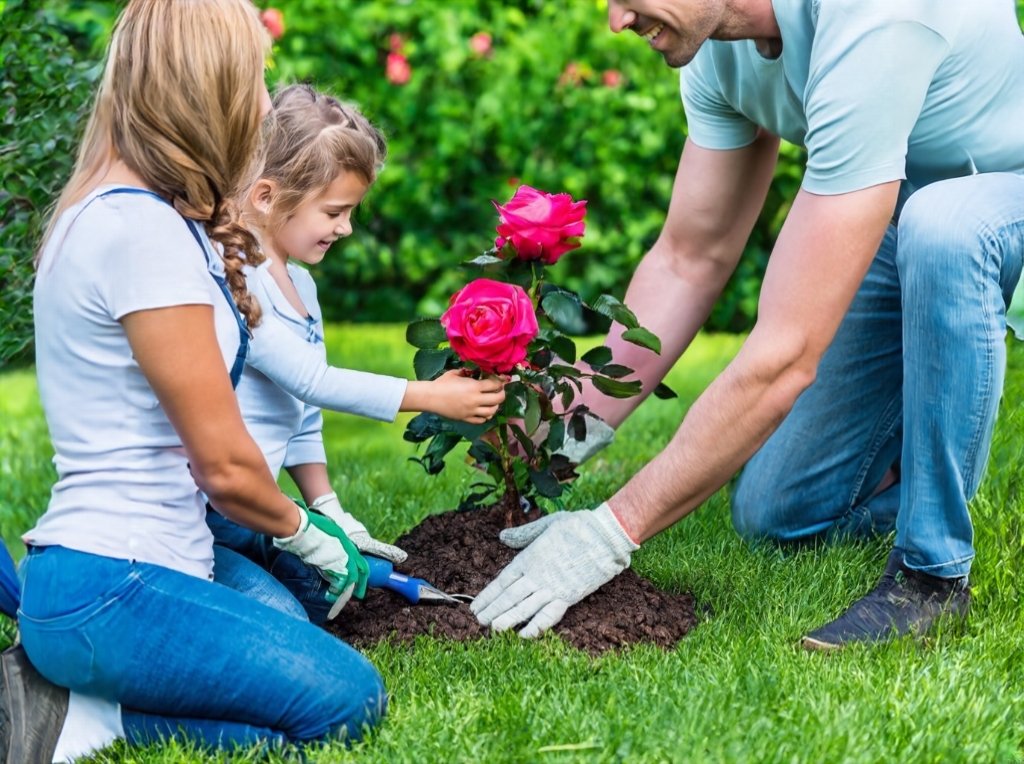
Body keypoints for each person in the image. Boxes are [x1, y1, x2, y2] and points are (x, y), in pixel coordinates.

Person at [472, 0, 1024, 649]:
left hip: (996, 193)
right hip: (892, 203)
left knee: (943, 231)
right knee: (776, 514)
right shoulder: (715, 48)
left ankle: (932, 575)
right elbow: (689, 258)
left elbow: (788, 353)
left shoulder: (879, 15)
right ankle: (911, 460)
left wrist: (610, 531)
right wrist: (556, 445)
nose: (616, 21)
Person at [7, 1, 385, 758]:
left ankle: (72, 682)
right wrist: (312, 532)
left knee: (291, 629)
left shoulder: (113, 211)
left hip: (120, 572)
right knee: (349, 699)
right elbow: (225, 464)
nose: (258, 104)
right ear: (205, 89)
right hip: (114, 584)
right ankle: (80, 720)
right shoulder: (138, 232)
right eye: (252, 80)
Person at [207, 83, 506, 623]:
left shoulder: (302, 287)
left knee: (332, 593)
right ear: (268, 196)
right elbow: (312, 381)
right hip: (214, 512)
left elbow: (301, 416)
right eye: (335, 212)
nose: (346, 228)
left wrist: (329, 512)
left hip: (257, 513)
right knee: (288, 621)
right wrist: (430, 397)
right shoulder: (238, 280)